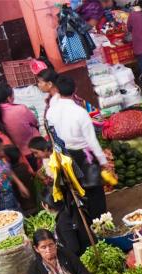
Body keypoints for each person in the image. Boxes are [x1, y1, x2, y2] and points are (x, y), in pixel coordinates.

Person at [45, 75, 108, 219]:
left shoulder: (51, 111)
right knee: (95, 193)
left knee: (76, 191)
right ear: (75, 90)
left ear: (58, 91)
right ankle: (101, 223)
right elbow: (92, 140)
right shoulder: (80, 112)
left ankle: (85, 223)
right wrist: (103, 162)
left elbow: (52, 135)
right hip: (84, 157)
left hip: (65, 156)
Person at [0, 83, 39, 159]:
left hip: (15, 154)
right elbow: (35, 122)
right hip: (33, 148)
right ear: (9, 98)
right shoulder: (21, 108)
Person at [0, 136, 27, 213]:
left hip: (10, 195)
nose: (2, 153)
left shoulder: (0, 159)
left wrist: (20, 184)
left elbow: (8, 171)